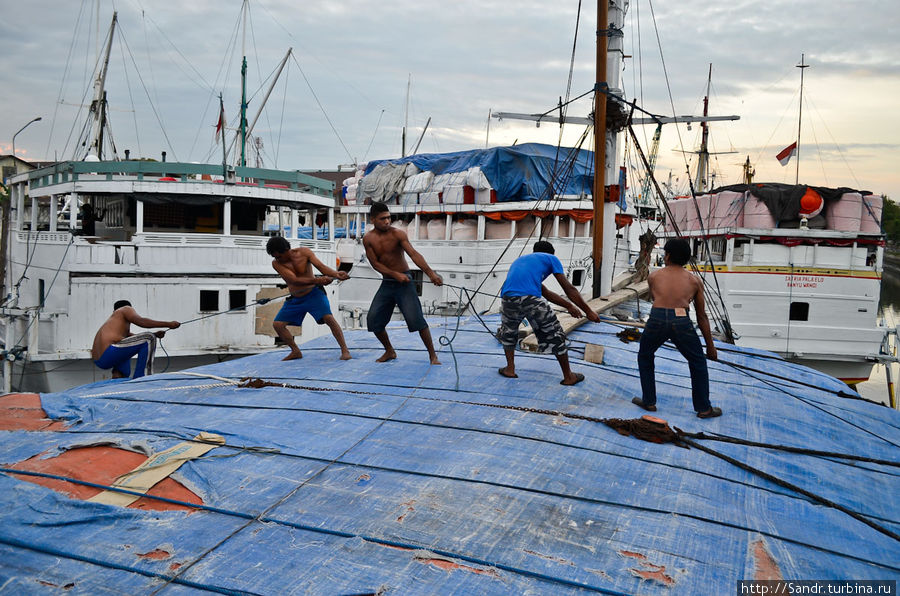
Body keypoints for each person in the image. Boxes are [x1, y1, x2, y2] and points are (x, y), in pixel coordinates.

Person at [633, 238, 722, 418]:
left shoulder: (654, 276)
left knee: (645, 356)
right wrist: (711, 347)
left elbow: (654, 298)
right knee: (697, 361)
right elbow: (702, 316)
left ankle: (649, 401)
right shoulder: (694, 281)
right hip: (681, 319)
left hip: (657, 317)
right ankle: (704, 408)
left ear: (668, 256)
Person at [497, 240, 600, 385]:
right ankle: (569, 376)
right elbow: (568, 288)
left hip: (507, 298)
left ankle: (510, 369)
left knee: (508, 332)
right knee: (554, 333)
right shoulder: (551, 258)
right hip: (530, 299)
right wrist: (588, 311)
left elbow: (545, 292)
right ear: (551, 253)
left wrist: (569, 306)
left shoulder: (522, 261)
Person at [363, 201, 443, 364]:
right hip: (388, 282)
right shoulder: (368, 239)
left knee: (417, 320)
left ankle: (432, 355)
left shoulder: (398, 234)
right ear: (373, 220)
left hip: (404, 282)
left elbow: (414, 254)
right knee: (373, 320)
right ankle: (389, 351)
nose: (387, 221)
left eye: (388, 218)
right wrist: (394, 274)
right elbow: (375, 264)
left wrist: (430, 273)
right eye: (382, 219)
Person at [265, 235, 351, 361]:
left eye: (279, 256)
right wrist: (318, 280)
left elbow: (321, 267)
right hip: (296, 299)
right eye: (275, 257)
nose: (278, 259)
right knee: (278, 325)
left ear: (286, 249)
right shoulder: (276, 264)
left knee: (329, 318)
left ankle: (345, 350)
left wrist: (336, 274)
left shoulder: (304, 252)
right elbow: (293, 280)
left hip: (313, 294)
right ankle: (295, 351)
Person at [91, 300, 180, 379]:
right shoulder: (125, 309)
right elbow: (141, 321)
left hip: (100, 361)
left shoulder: (113, 325)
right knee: (149, 338)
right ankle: (144, 377)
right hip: (109, 352)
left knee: (137, 343)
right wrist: (169, 324)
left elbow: (135, 340)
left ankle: (117, 376)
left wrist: (155, 334)